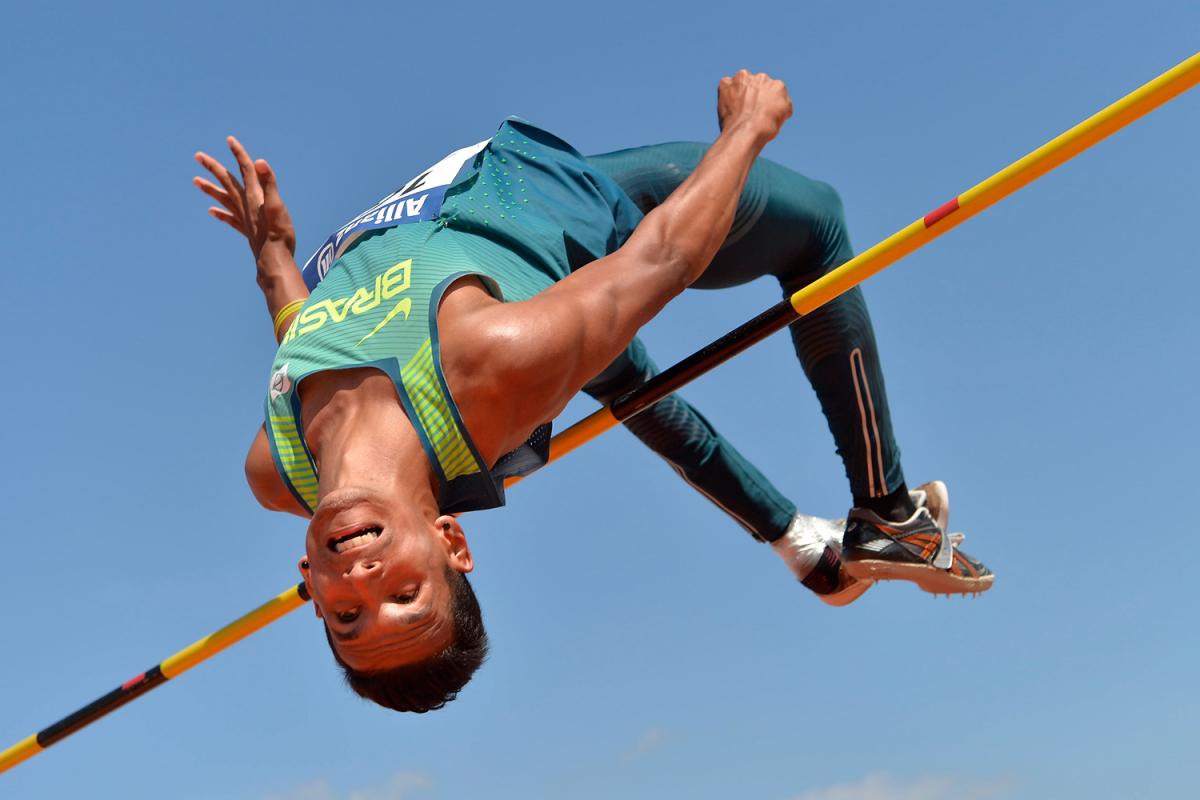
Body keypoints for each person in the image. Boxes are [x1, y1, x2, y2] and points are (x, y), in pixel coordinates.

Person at [193, 71, 992, 714]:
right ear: (451, 544)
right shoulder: (493, 361)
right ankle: (888, 514)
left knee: (629, 383)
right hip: (550, 213)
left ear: (313, 588)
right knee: (817, 224)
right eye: (406, 592)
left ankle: (798, 544)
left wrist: (273, 259)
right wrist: (748, 128)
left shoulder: (275, 468)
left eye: (348, 616)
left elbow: (302, 349)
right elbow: (665, 257)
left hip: (479, 249)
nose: (365, 582)